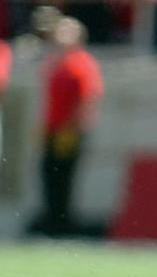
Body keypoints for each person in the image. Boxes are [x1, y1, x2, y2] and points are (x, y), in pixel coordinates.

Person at [28, 16, 102, 237]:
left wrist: (76, 128)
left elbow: (89, 98)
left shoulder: (82, 63)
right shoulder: (54, 62)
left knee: (64, 177)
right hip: (52, 130)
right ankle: (51, 220)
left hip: (68, 132)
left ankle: (61, 224)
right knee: (48, 176)